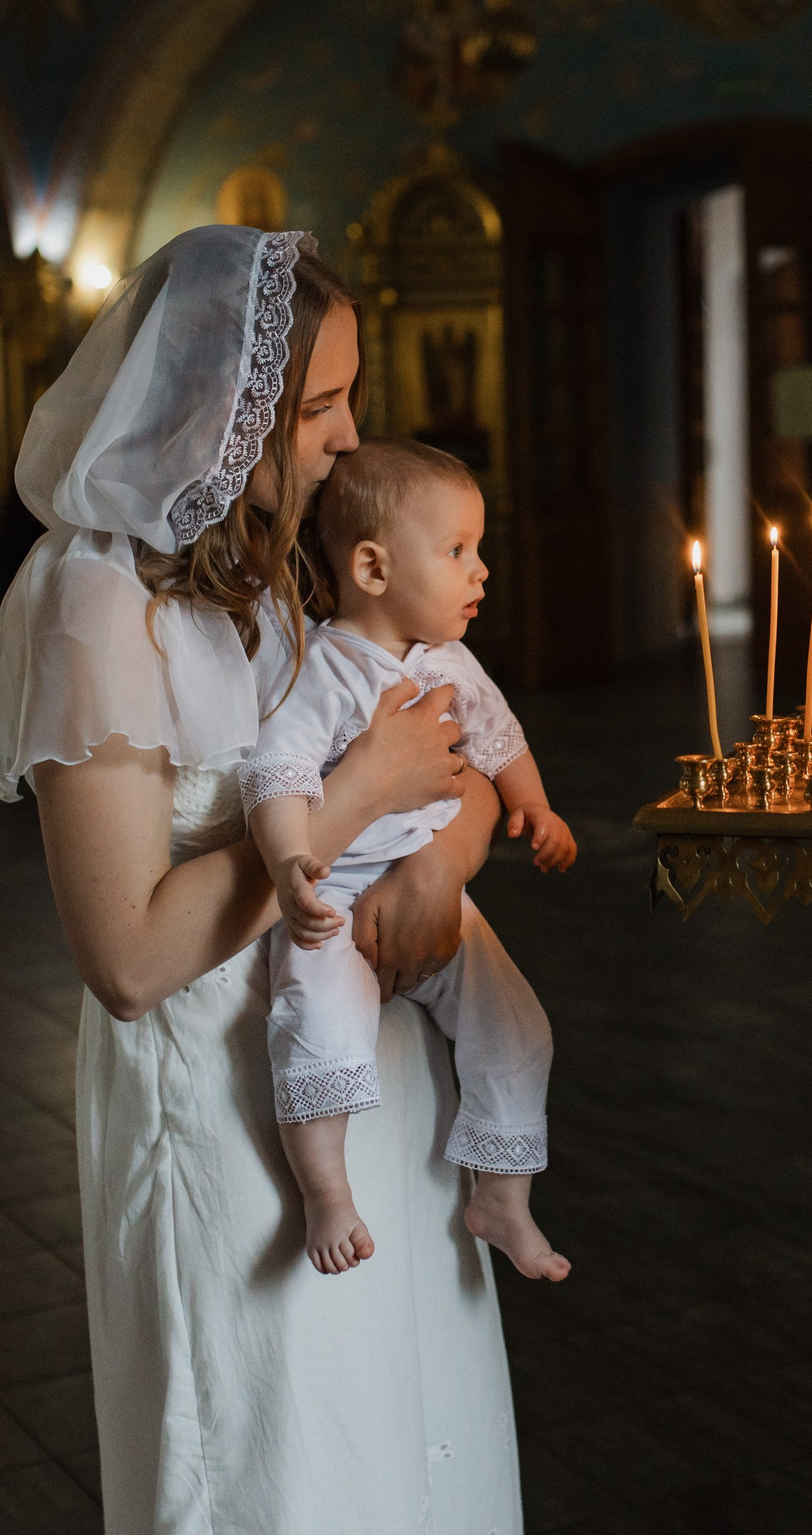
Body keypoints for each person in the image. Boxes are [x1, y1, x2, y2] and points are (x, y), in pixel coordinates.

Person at [0, 227, 523, 1532]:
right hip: (213, 1099)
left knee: (392, 1433)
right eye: (321, 407)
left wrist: (436, 865)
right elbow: (125, 957)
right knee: (271, 1455)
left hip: (357, 1070)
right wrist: (347, 808)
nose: (349, 440)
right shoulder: (93, 605)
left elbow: (443, 769)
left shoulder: (278, 575)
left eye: (351, 398)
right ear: (224, 410)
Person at [241, 440, 575, 1282]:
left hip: (433, 893)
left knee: (517, 1023)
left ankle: (501, 1196)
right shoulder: (323, 667)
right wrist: (292, 865)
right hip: (333, 892)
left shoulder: (450, 662)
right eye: (458, 551)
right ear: (373, 567)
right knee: (320, 1025)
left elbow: (499, 743)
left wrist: (534, 806)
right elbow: (277, 772)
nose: (482, 571)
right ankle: (326, 1192)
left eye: (479, 549)